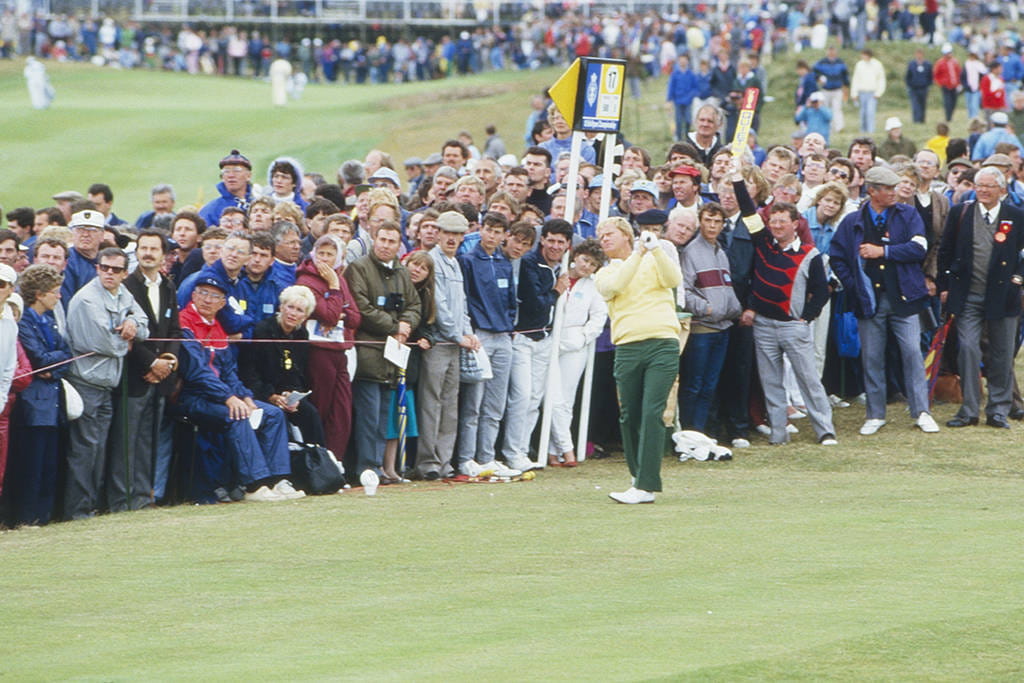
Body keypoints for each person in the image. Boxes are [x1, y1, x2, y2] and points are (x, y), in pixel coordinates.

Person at [829, 166, 939, 436]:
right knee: (872, 358)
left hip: (905, 299)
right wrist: (854, 285)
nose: (894, 192)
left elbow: (918, 248)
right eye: (888, 189)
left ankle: (921, 411)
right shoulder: (852, 220)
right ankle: (875, 414)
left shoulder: (908, 214)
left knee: (913, 354)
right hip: (869, 301)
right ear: (872, 191)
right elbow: (837, 257)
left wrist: (883, 252)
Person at [174, 276, 300, 502]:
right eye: (202, 293)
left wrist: (245, 396)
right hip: (193, 396)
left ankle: (277, 480)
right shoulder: (184, 323)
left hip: (221, 396)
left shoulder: (218, 327)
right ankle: (254, 485)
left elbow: (229, 371)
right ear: (193, 295)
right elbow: (196, 372)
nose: (207, 300)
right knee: (238, 415)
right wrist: (229, 398)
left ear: (223, 303)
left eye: (215, 296)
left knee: (272, 414)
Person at [595, 217, 681, 504]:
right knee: (629, 414)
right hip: (628, 347)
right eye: (601, 236)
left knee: (652, 411)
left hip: (662, 344)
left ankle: (646, 485)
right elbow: (616, 285)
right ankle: (637, 476)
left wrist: (655, 250)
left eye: (609, 234)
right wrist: (637, 254)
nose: (604, 239)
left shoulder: (654, 260)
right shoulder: (604, 273)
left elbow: (673, 280)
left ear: (625, 235)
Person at [740, 202, 836, 446]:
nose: (777, 226)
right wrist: (738, 178)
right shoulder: (763, 246)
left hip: (793, 326)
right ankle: (778, 433)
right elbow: (750, 214)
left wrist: (806, 317)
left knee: (809, 379)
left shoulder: (810, 253)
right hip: (763, 326)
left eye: (783, 221)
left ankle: (825, 430)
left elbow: (822, 291)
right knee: (771, 382)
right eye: (773, 221)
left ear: (795, 224)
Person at [64, 247, 150, 520]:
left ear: (125, 273)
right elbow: (108, 344)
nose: (108, 273)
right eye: (104, 268)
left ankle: (90, 507)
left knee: (99, 450)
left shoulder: (123, 293)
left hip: (106, 385)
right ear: (97, 268)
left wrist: (132, 324)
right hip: (85, 383)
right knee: (85, 451)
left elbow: (144, 326)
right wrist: (128, 337)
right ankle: (77, 511)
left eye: (115, 269)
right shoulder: (88, 299)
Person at [938, 167, 1024, 429]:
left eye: (989, 186)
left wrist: (1017, 280)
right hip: (968, 296)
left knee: (1002, 353)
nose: (983, 190)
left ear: (1002, 190)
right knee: (967, 349)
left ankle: (998, 410)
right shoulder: (960, 213)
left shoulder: (1016, 216)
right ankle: (969, 410)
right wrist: (944, 285)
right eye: (979, 185)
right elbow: (946, 251)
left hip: (1003, 297)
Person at [110, 229, 181, 513]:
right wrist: (152, 363)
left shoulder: (168, 285)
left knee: (148, 441)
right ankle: (122, 501)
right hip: (133, 375)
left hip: (160, 378)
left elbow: (174, 330)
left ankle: (142, 497)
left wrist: (168, 363)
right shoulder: (127, 284)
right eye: (143, 248)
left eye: (153, 248)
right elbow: (122, 332)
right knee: (126, 442)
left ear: (164, 255)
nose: (148, 253)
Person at [345, 221, 421, 479]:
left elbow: (414, 305)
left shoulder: (401, 271)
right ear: (374, 240)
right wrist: (394, 326)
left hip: (392, 359)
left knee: (383, 420)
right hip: (368, 354)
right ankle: (367, 468)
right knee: (368, 419)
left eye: (392, 241)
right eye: (383, 240)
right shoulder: (358, 268)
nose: (387, 245)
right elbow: (362, 308)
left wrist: (406, 326)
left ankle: (378, 467)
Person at [502, 219, 572, 473]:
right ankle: (511, 451)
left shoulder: (559, 266)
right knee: (521, 396)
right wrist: (556, 291)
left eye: (560, 242)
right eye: (550, 240)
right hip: (522, 338)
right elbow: (535, 302)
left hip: (544, 339)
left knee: (534, 398)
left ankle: (520, 449)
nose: (554, 246)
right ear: (543, 240)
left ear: (567, 245)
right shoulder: (530, 264)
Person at [415, 211, 477, 480]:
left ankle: (444, 461)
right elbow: (438, 305)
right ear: (438, 233)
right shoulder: (433, 261)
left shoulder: (455, 263)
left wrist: (468, 334)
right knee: (431, 403)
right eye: (447, 233)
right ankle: (428, 462)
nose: (452, 238)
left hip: (455, 344)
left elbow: (461, 304)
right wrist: (457, 334)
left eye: (457, 234)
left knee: (450, 404)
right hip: (439, 343)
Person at [456, 212, 518, 477]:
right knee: (474, 402)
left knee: (495, 403)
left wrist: (510, 324)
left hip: (503, 336)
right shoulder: (468, 260)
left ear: (505, 235)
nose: (493, 236)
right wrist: (470, 331)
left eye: (498, 232)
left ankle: (487, 456)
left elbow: (511, 299)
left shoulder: (505, 262)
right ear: (481, 230)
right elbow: (466, 299)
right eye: (489, 230)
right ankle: (466, 458)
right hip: (480, 335)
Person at [7, 265, 69, 526]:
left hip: (52, 403)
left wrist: (54, 365)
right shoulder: (26, 322)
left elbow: (67, 354)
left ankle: (43, 517)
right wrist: (55, 363)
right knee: (31, 467)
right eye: (55, 292)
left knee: (49, 467)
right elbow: (40, 361)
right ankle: (26, 518)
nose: (59, 296)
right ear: (40, 294)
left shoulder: (52, 319)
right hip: (33, 406)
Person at [295, 234, 361, 469]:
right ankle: (318, 462)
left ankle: (336, 462)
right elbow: (329, 314)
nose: (324, 259)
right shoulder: (306, 279)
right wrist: (333, 289)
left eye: (330, 254)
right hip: (317, 351)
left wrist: (338, 309)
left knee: (341, 410)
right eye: (320, 253)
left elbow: (354, 317)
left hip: (340, 350)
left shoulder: (339, 278)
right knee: (321, 407)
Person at [238, 285, 326, 447]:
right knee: (279, 418)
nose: (293, 313)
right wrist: (271, 396)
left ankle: (317, 461)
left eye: (299, 310)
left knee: (310, 414)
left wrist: (293, 395)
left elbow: (298, 372)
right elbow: (249, 372)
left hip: (287, 394)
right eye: (290, 307)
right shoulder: (263, 330)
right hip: (261, 392)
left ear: (305, 316)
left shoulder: (301, 334)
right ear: (281, 307)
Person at [680, 203, 741, 434]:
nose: (713, 226)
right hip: (701, 329)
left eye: (717, 222)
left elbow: (725, 286)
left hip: (723, 328)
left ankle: (702, 430)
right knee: (694, 384)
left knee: (709, 385)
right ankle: (688, 431)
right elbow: (683, 291)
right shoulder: (691, 252)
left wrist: (733, 307)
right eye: (708, 220)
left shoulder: (721, 252)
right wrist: (706, 308)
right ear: (700, 221)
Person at [547, 239, 607, 467]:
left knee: (565, 399)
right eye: (584, 260)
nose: (586, 266)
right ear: (575, 256)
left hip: (575, 345)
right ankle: (566, 448)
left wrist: (582, 338)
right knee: (552, 397)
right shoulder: (558, 274)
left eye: (592, 264)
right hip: (550, 340)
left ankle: (556, 451)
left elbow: (599, 317)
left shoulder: (592, 287)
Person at [199, 150, 254, 227]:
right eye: (226, 171)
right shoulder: (211, 210)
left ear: (248, 176)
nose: (231, 175)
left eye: (237, 170)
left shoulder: (256, 207)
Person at [813, 46, 849, 134]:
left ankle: (839, 127)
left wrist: (846, 88)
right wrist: (819, 79)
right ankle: (828, 127)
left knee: (837, 109)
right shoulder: (821, 63)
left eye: (833, 51)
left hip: (837, 89)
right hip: (826, 90)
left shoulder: (840, 63)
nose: (832, 53)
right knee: (826, 109)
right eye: (830, 51)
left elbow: (845, 76)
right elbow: (815, 73)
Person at [850, 48, 886, 133]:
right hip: (862, 92)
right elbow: (856, 79)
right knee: (863, 113)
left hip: (872, 92)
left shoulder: (877, 64)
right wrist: (854, 93)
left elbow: (881, 79)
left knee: (870, 112)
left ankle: (871, 131)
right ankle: (863, 130)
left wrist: (879, 92)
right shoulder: (859, 64)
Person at [933, 43, 962, 123]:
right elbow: (936, 75)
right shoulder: (940, 63)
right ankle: (948, 117)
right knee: (947, 102)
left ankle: (951, 115)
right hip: (946, 86)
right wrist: (940, 83)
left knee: (953, 102)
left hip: (954, 85)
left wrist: (959, 83)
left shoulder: (955, 62)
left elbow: (958, 72)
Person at [905, 49, 933, 124]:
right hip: (914, 88)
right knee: (915, 104)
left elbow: (930, 76)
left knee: (923, 104)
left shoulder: (927, 64)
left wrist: (928, 84)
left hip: (923, 88)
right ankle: (916, 120)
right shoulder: (912, 64)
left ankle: (922, 119)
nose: (919, 56)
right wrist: (910, 85)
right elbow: (908, 76)